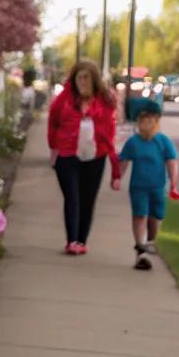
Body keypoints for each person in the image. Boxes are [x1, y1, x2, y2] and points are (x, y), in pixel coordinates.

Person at [47, 59, 119, 254]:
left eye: (86, 77)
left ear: (94, 79)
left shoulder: (105, 100)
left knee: (88, 199)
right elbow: (53, 122)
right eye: (79, 77)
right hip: (67, 154)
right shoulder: (64, 99)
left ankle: (81, 240)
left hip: (96, 156)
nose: (82, 81)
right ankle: (71, 241)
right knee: (72, 196)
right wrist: (53, 148)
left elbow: (110, 127)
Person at [114, 99, 179, 270]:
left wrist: (174, 183)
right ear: (138, 123)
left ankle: (150, 241)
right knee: (140, 215)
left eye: (152, 121)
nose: (148, 125)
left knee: (156, 217)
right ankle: (140, 250)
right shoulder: (133, 142)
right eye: (144, 121)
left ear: (157, 123)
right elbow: (124, 162)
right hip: (138, 188)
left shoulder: (163, 141)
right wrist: (117, 178)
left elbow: (172, 162)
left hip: (158, 187)